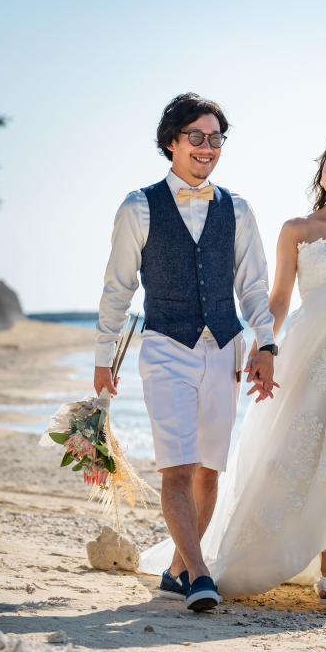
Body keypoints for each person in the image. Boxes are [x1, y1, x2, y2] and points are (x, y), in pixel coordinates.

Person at [140, 128, 326, 610]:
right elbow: (281, 297)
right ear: (320, 171)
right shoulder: (298, 229)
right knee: (313, 451)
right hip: (313, 352)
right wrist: (263, 345)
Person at [94, 92, 277, 612]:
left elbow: (254, 287)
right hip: (165, 347)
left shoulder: (238, 209)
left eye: (215, 138)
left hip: (224, 348)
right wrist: (103, 355)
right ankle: (200, 573)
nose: (206, 147)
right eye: (195, 136)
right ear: (171, 142)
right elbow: (118, 287)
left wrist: (266, 344)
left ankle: (178, 568)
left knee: (208, 471)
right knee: (177, 467)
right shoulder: (138, 205)